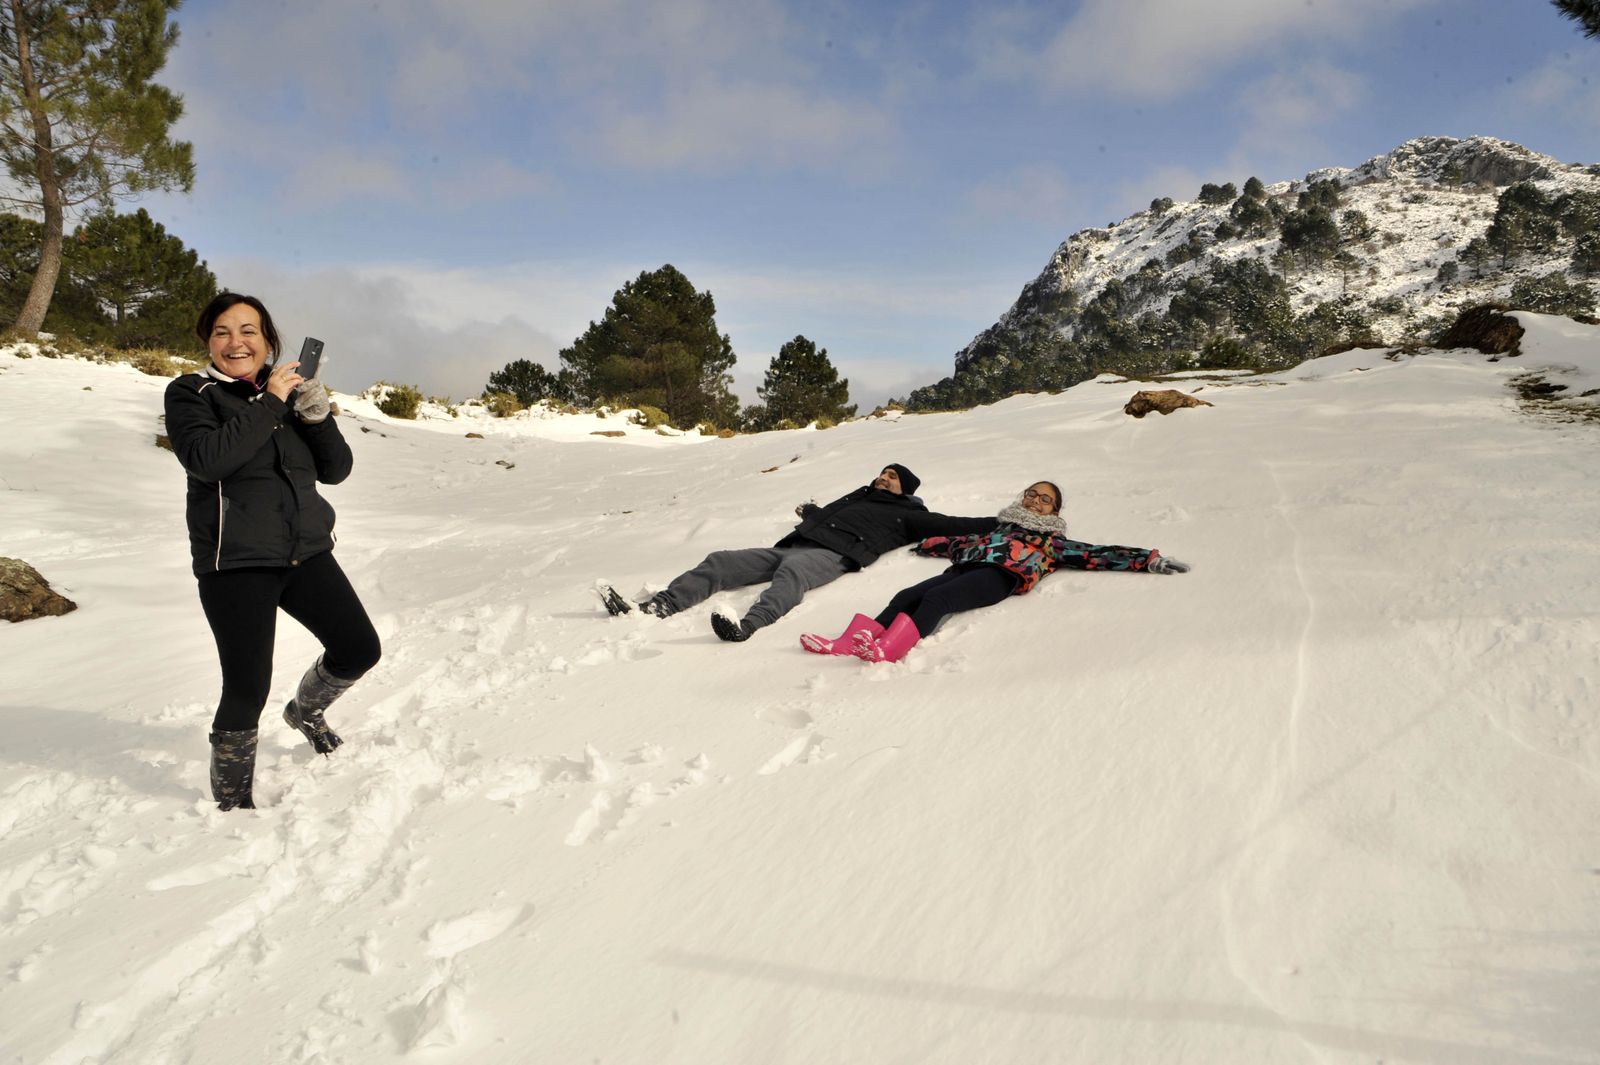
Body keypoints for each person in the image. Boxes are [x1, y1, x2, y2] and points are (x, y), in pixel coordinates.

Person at [164, 293, 382, 811]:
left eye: (248, 331)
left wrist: (317, 414)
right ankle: (232, 804)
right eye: (221, 332)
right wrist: (271, 403)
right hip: (235, 562)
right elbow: (207, 461)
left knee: (359, 649)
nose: (235, 342)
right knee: (246, 689)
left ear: (268, 343)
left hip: (304, 552)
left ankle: (305, 712)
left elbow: (336, 470)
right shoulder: (190, 393)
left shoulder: (285, 397)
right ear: (207, 342)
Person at [801, 480, 1190, 663]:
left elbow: (1098, 554)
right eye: (1031, 494)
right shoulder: (997, 530)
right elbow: (959, 544)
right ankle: (849, 642)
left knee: (937, 599)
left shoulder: (1052, 543)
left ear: (1054, 511)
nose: (1035, 501)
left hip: (1000, 578)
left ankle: (888, 650)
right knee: (905, 596)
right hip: (968, 566)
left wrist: (1147, 558)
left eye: (1045, 499)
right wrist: (928, 544)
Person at [598, 464, 998, 642]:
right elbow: (827, 515)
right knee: (721, 560)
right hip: (792, 546)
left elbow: (955, 523)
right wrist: (811, 513)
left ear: (905, 487)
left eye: (892, 476)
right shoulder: (858, 497)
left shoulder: (912, 515)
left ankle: (748, 627)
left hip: (830, 557)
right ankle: (660, 606)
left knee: (792, 578)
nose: (882, 477)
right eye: (882, 472)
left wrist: (1000, 523)